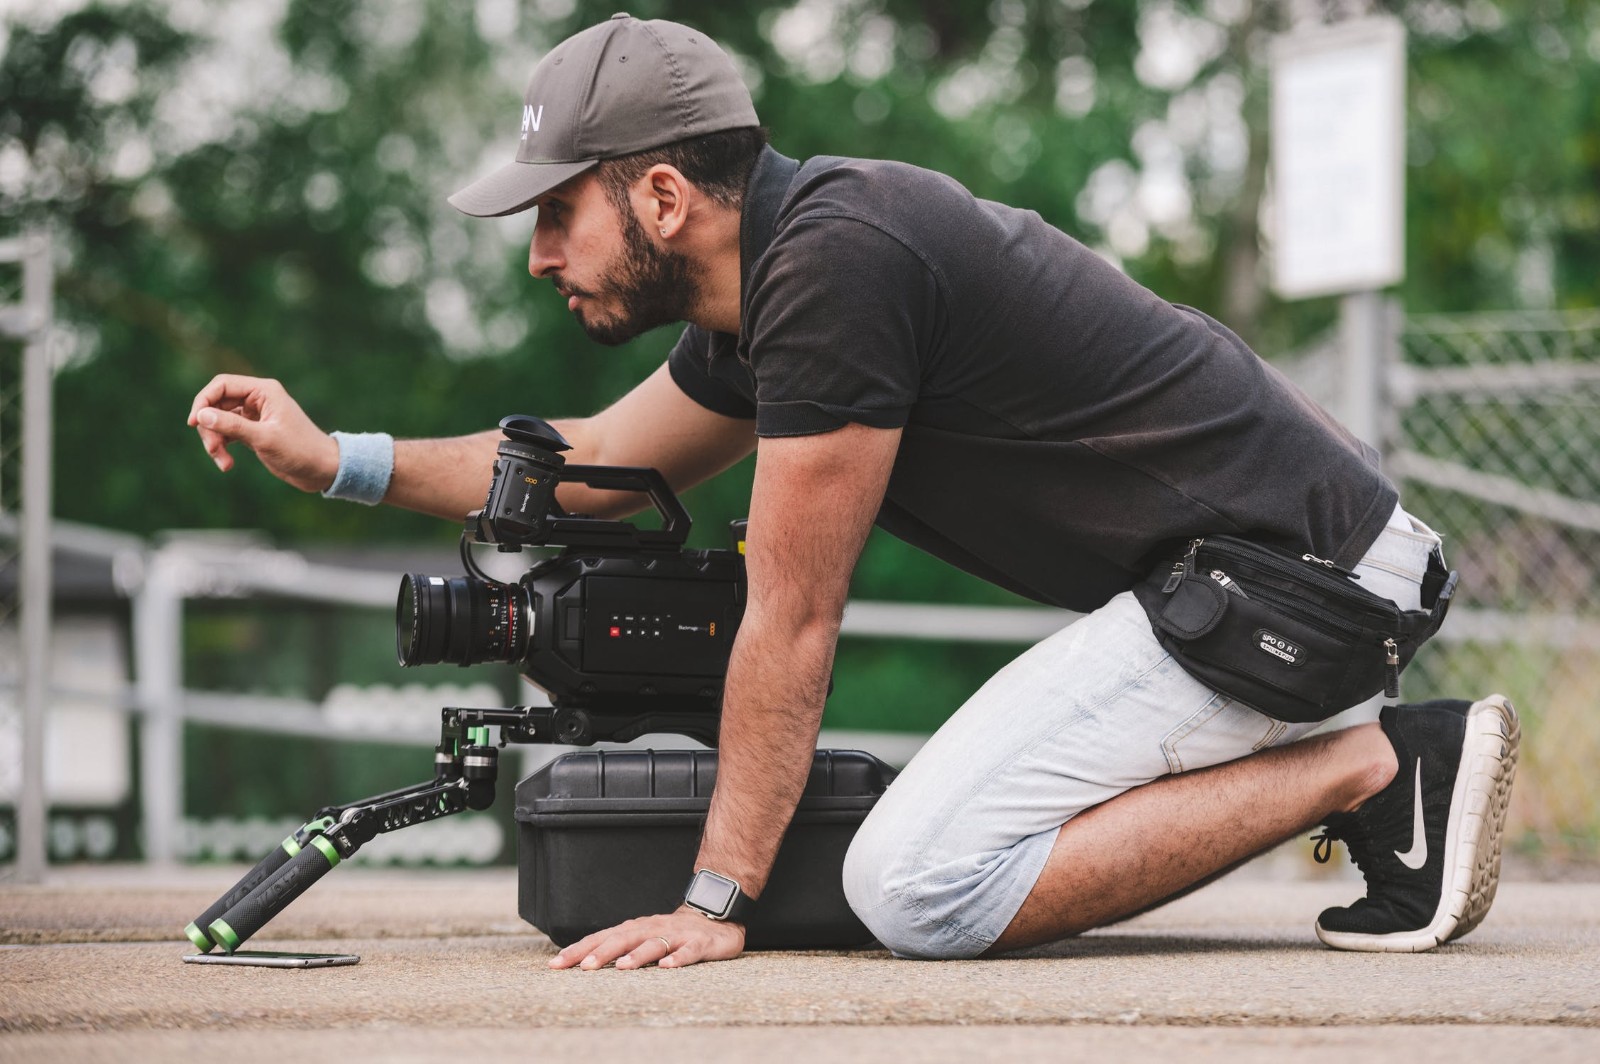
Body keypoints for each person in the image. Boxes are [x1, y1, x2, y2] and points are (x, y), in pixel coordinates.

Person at [188, 14, 1519, 970]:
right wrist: (338, 459)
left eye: (555, 215)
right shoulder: (775, 290)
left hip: (1299, 590)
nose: (539, 256)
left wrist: (719, 900)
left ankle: (1377, 759)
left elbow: (796, 612)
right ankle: (1363, 767)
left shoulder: (837, 269)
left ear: (660, 194)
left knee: (918, 889)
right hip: (1255, 588)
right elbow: (591, 472)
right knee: (927, 861)